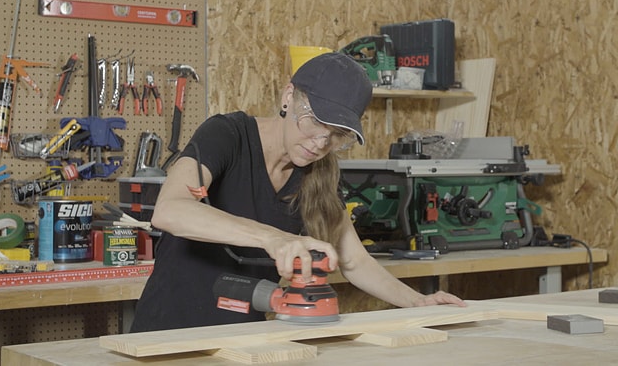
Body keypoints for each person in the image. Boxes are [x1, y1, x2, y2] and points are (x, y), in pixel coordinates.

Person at [130, 52, 466, 332]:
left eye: (336, 135)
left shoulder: (319, 173)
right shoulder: (227, 135)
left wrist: (418, 302)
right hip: (168, 334)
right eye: (315, 123)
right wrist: (274, 239)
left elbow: (353, 259)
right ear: (288, 97)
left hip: (247, 339)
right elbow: (171, 210)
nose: (321, 143)